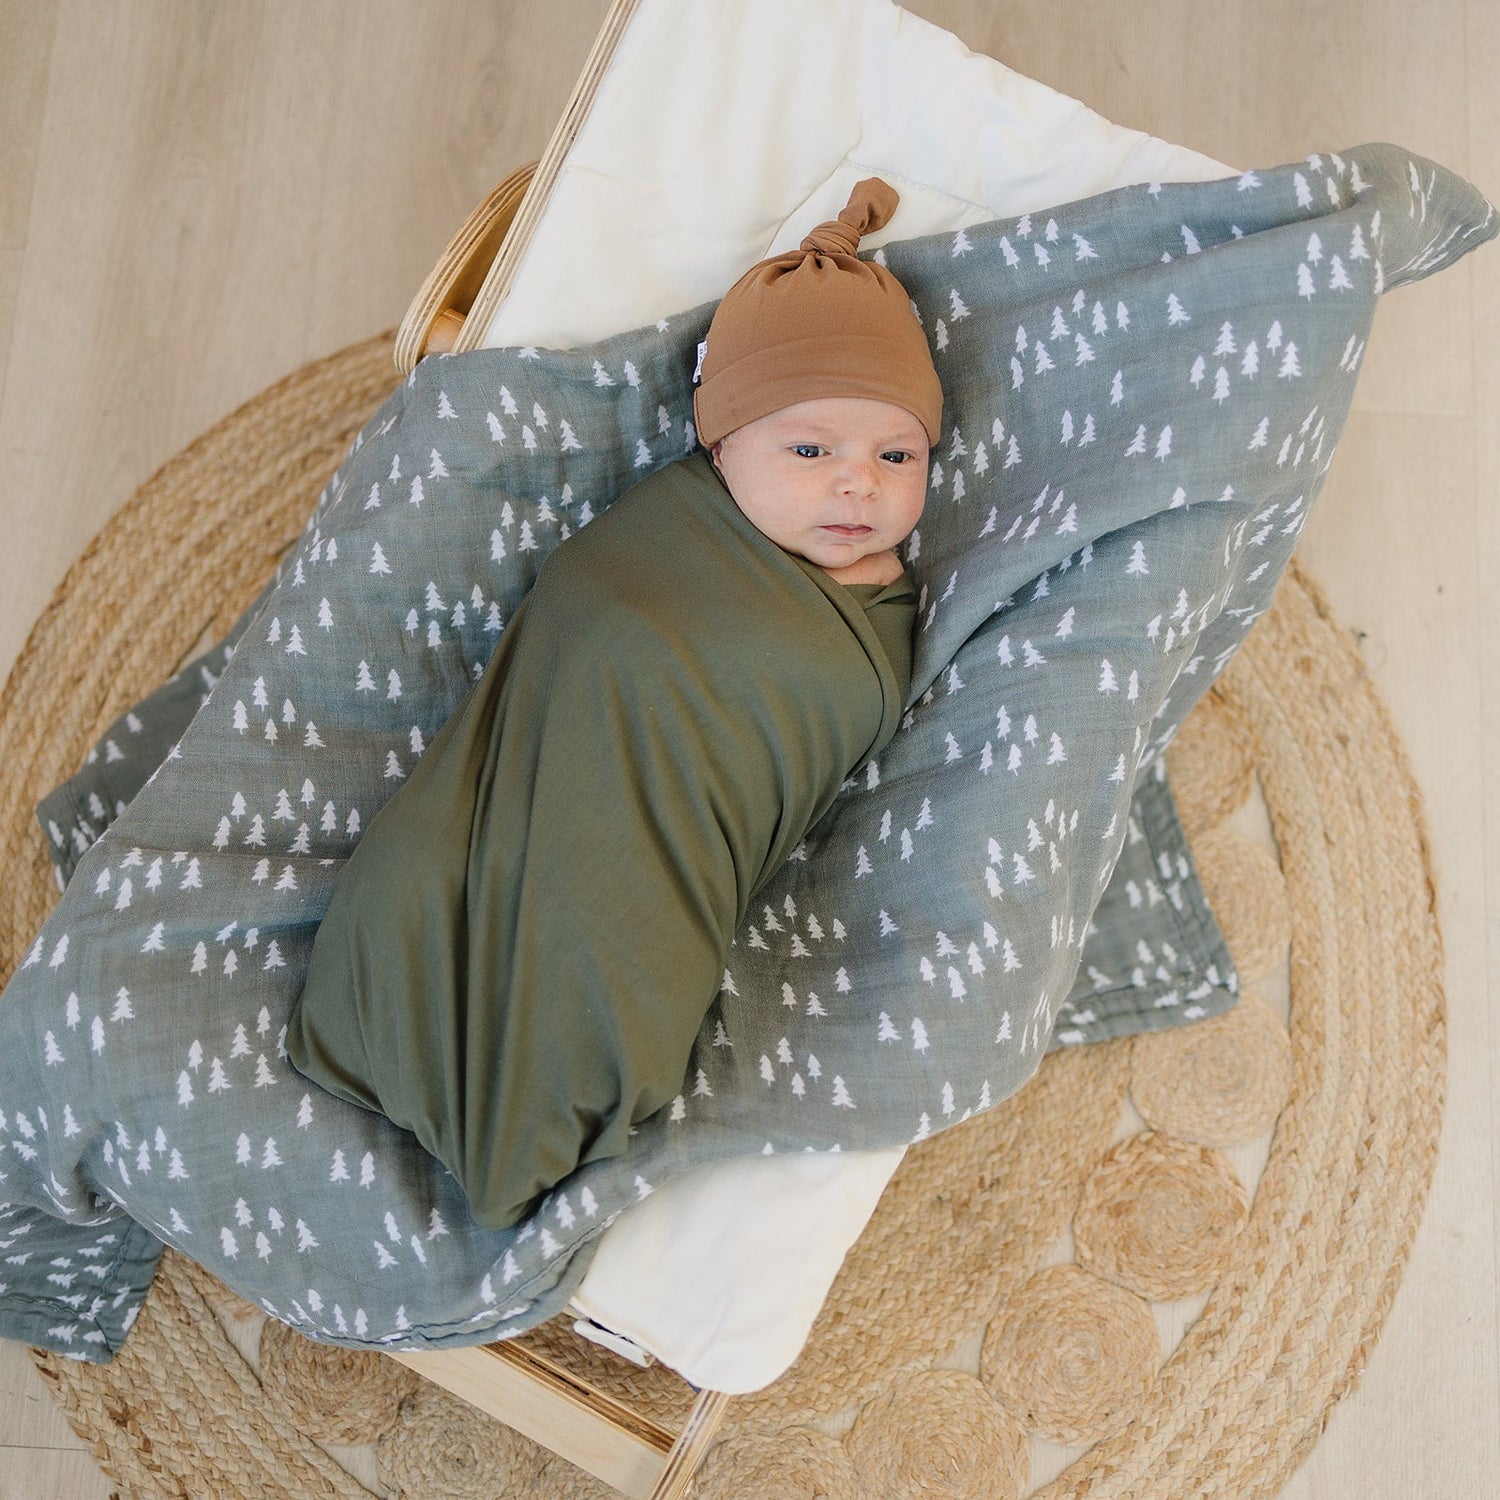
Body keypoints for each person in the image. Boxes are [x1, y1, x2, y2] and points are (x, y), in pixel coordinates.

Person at [286, 178, 943, 1228]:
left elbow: (804, 725)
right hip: (535, 770)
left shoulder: (885, 613)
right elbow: (586, 629)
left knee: (610, 970)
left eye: (895, 455)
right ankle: (384, 1020)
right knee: (421, 884)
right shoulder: (665, 529)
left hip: (660, 852)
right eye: (810, 449)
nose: (857, 482)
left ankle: (531, 1112)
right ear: (720, 446)